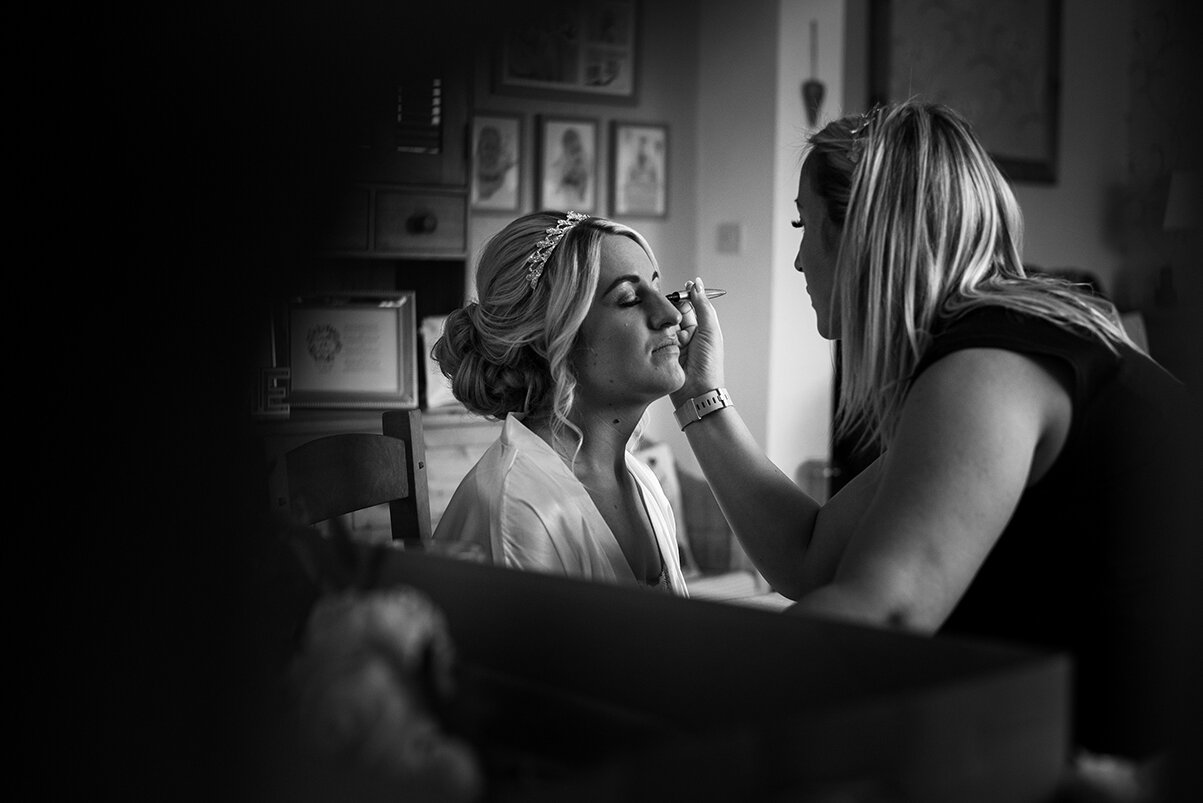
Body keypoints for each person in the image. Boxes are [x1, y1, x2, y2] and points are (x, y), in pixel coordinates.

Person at [669, 101, 1196, 762]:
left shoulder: (989, 366)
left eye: (806, 225)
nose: (799, 259)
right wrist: (698, 394)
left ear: (863, 231)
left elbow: (886, 613)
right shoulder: (1001, 344)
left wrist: (672, 689)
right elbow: (810, 556)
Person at [431, 210, 690, 596]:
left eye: (659, 289)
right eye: (630, 298)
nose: (672, 314)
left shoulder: (642, 481)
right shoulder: (521, 508)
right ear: (552, 338)